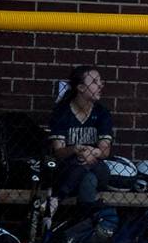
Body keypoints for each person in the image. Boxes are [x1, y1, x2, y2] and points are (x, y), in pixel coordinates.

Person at [47, 66, 113, 206]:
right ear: (81, 88)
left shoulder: (102, 113)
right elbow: (59, 152)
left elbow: (105, 151)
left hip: (97, 166)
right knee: (88, 180)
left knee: (96, 170)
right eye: (95, 81)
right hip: (68, 168)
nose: (101, 85)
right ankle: (85, 222)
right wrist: (76, 149)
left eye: (101, 81)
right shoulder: (61, 112)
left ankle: (57, 198)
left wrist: (92, 152)